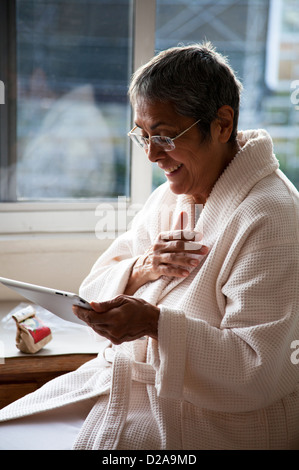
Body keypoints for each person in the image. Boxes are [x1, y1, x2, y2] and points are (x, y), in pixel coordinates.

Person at [0, 42, 299, 450]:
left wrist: (153, 324)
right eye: (142, 135)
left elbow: (257, 369)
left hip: (209, 422)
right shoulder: (171, 197)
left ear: (222, 124)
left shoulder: (272, 218)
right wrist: (144, 267)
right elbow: (92, 290)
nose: (150, 154)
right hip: (126, 388)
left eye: (164, 135)